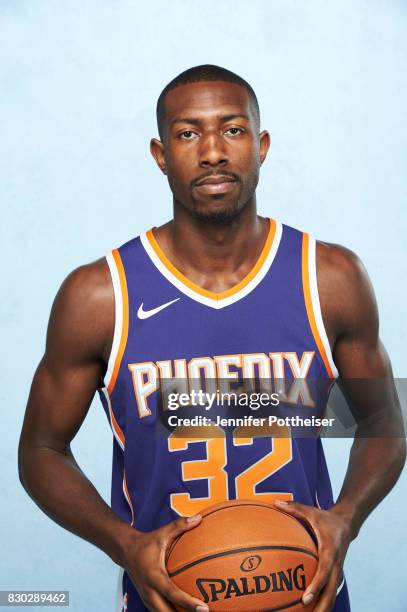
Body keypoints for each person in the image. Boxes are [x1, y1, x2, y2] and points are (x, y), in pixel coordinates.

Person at [18, 64, 405, 612]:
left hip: (307, 595)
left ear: (261, 144)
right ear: (159, 153)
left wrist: (345, 519)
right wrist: (125, 544)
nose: (213, 151)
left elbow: (384, 418)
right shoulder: (100, 297)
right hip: (169, 598)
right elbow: (40, 449)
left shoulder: (330, 279)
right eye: (187, 133)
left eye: (233, 129)